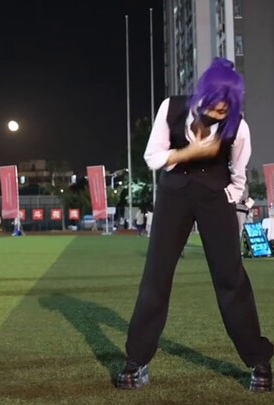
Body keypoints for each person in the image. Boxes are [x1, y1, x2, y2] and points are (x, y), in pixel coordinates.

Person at [117, 58, 272, 392]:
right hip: (173, 196)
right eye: (215, 106)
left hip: (215, 198)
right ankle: (137, 361)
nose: (219, 113)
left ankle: (259, 361)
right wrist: (188, 153)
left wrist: (226, 198)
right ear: (201, 93)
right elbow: (153, 156)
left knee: (231, 278)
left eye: (225, 110)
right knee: (156, 277)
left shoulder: (239, 126)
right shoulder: (171, 108)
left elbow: (238, 174)